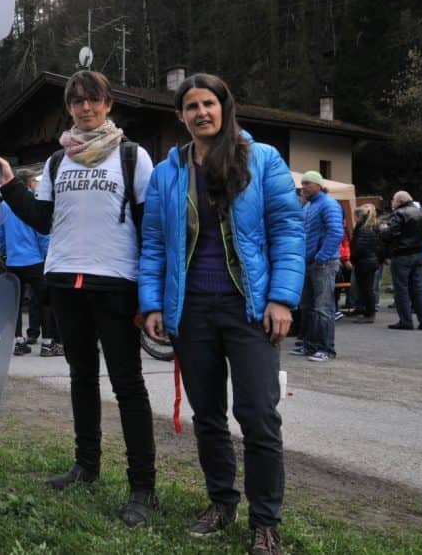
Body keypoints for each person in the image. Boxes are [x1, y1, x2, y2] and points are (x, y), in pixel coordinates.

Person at [0, 70, 158, 528]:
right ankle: (87, 466)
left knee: (128, 385)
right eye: (77, 101)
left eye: (93, 99)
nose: (85, 107)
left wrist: (151, 292)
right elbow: (43, 220)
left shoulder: (132, 157)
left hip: (116, 282)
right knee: (81, 377)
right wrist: (9, 184)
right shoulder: (58, 163)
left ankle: (143, 487)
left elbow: (150, 227)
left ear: (108, 104)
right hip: (63, 279)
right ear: (70, 108)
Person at [138, 73, 302, 555]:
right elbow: (154, 244)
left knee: (258, 415)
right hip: (191, 311)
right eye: (191, 106)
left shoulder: (262, 159)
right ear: (180, 116)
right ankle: (221, 502)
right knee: (207, 415)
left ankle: (265, 522)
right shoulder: (168, 172)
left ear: (225, 107)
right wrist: (151, 304)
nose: (200, 113)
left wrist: (282, 299)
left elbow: (288, 231)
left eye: (208, 103)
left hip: (249, 309)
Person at [0, 169, 63, 357]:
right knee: (45, 302)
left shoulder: (4, 205)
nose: (36, 183)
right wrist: (47, 255)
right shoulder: (33, 204)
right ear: (28, 183)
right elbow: (43, 234)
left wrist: (4, 253)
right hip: (35, 261)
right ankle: (48, 343)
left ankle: (18, 341)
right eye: (34, 180)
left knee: (14, 304)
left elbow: (0, 234)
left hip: (14, 261)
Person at [292, 170, 343, 362]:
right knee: (307, 306)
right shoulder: (309, 206)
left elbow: (336, 232)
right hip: (308, 262)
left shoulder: (329, 204)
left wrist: (322, 256)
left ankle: (327, 349)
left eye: (307, 184)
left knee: (323, 307)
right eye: (302, 183)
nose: (303, 187)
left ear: (318, 185)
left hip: (323, 263)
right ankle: (309, 345)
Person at [379, 190, 422, 330]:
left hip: (402, 254)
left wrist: (383, 229)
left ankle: (406, 321)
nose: (392, 202)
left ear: (399, 201)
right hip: (419, 253)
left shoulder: (398, 214)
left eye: (393, 200)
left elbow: (389, 234)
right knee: (418, 288)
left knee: (401, 288)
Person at [350, 204, 382, 323]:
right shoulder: (372, 227)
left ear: (358, 216)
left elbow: (359, 247)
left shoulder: (362, 229)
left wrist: (353, 257)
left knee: (366, 289)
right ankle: (368, 311)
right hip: (371, 261)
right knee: (367, 288)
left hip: (364, 262)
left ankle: (369, 313)